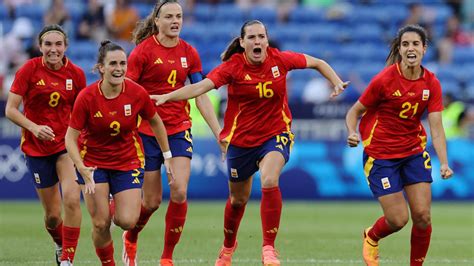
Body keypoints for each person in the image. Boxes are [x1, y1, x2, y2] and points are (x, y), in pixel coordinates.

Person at [152, 19, 349, 266]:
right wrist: (168, 97)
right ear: (242, 42)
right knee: (238, 200)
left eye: (261, 37)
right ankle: (227, 248)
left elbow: (317, 62)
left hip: (276, 134)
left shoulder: (281, 60)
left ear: (267, 40)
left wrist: (336, 81)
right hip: (242, 141)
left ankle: (268, 248)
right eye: (252, 37)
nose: (258, 41)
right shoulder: (232, 67)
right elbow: (200, 87)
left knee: (269, 179)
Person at [121, 1, 222, 265]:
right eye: (169, 16)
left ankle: (167, 258)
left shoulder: (189, 52)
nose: (175, 21)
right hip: (146, 132)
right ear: (157, 21)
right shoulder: (141, 53)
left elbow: (200, 94)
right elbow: (127, 95)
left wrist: (219, 133)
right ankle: (131, 236)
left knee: (178, 190)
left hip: (178, 129)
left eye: (179, 16)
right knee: (152, 201)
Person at [345, 24, 454, 266]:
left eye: (415, 43)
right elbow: (354, 112)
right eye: (405, 44)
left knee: (423, 216)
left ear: (424, 49)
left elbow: (436, 127)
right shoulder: (384, 80)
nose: (410, 48)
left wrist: (444, 163)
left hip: (414, 152)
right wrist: (352, 132)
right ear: (400, 49)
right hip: (381, 155)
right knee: (397, 219)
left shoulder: (431, 83)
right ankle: (371, 236)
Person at [64, 40, 173, 266]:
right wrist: (81, 168)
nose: (119, 68)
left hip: (127, 161)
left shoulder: (137, 93)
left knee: (128, 221)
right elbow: (70, 138)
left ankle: (114, 203)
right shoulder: (86, 97)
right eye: (113, 63)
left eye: (123, 63)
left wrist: (167, 155)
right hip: (92, 164)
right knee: (100, 223)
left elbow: (155, 121)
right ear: (101, 68)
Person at [5, 24, 85, 265]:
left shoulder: (77, 75)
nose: (53, 49)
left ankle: (68, 258)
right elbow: (10, 110)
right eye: (48, 44)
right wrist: (34, 128)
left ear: (66, 47)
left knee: (72, 199)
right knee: (52, 216)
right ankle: (60, 243)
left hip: (66, 146)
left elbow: (83, 112)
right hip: (37, 149)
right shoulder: (28, 70)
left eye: (58, 44)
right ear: (40, 47)